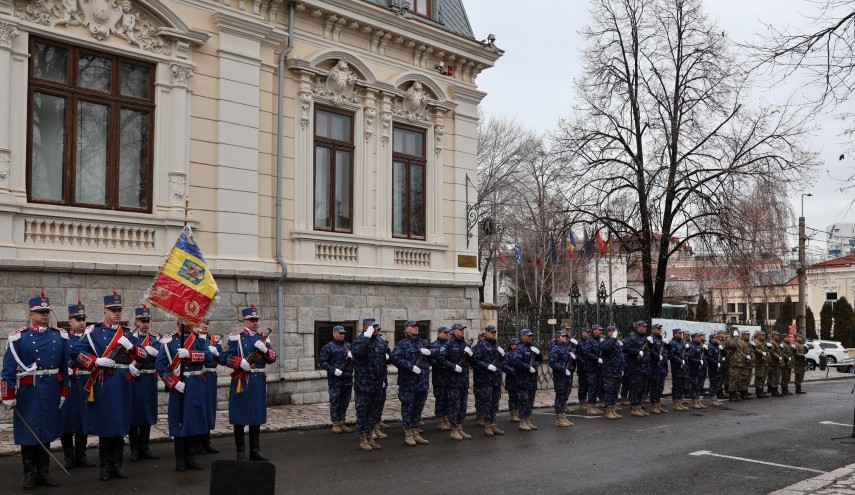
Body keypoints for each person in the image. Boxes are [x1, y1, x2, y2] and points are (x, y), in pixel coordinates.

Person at [70, 291, 149, 482]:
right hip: (104, 382)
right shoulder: (93, 332)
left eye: (119, 310)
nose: (117, 313)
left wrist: (131, 347)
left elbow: (144, 355)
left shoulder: (128, 333)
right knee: (106, 425)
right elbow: (75, 352)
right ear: (105, 311)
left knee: (121, 424)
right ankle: (105, 466)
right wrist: (96, 361)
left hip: (123, 383)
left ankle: (117, 465)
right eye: (113, 310)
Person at [2, 293, 70, 489]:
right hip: (28, 392)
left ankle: (44, 472)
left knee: (46, 431)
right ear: (31, 313)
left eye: (47, 311)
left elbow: (65, 368)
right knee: (29, 432)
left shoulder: (59, 336)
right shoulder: (19, 338)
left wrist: (64, 391)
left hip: (50, 391)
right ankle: (29, 474)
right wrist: (8, 395)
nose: (45, 315)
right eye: (40, 312)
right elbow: (7, 371)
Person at [220, 305, 276, 461]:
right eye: (252, 320)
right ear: (244, 320)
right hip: (242, 379)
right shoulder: (235, 337)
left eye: (256, 320)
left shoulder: (263, 337)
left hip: (258, 380)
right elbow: (224, 357)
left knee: (256, 415)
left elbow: (272, 358)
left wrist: (265, 350)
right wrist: (239, 362)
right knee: (239, 415)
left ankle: (255, 450)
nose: (255, 323)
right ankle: (240, 451)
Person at [155, 321, 213, 471]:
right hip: (179, 385)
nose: (189, 324)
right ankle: (180, 459)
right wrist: (173, 383)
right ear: (178, 322)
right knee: (179, 420)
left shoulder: (200, 339)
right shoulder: (168, 341)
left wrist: (190, 354)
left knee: (193, 419)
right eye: (185, 322)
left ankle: (191, 457)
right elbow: (160, 365)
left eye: (191, 322)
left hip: (196, 384)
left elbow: (208, 356)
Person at [59, 300, 96, 469]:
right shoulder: (63, 338)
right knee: (66, 420)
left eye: (83, 319)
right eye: (77, 319)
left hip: (86, 383)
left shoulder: (91, 339)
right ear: (70, 322)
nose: (82, 322)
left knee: (83, 420)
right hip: (70, 384)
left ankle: (81, 455)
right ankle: (68, 456)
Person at [390, 320, 431, 446]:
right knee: (408, 408)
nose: (416, 328)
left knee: (418, 408)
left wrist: (430, 352)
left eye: (417, 326)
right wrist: (410, 367)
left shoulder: (423, 343)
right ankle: (408, 433)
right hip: (408, 383)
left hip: (422, 382)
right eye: (413, 326)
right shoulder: (402, 344)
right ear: (406, 329)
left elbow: (437, 354)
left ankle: (416, 432)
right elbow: (394, 358)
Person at [128, 305, 160, 462]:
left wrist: (156, 354)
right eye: (142, 321)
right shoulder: (129, 337)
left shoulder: (155, 339)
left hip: (149, 378)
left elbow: (162, 359)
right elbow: (122, 355)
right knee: (134, 413)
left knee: (147, 412)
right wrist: (129, 366)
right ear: (136, 321)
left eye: (147, 321)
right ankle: (134, 447)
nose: (146, 324)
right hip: (135, 379)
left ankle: (145, 446)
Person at [351, 319, 386, 451]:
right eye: (374, 327)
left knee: (374, 412)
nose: (377, 329)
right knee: (362, 412)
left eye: (377, 327)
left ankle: (370, 436)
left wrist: (383, 379)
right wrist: (366, 338)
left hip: (377, 383)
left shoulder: (379, 341)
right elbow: (358, 352)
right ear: (366, 328)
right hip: (364, 384)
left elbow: (383, 360)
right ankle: (362, 439)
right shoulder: (359, 340)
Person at [319, 325, 354, 434]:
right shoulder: (328, 347)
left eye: (343, 333)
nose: (342, 335)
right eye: (340, 333)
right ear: (334, 333)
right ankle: (335, 423)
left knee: (345, 401)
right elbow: (323, 362)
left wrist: (353, 357)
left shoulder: (348, 346)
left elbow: (355, 362)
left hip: (347, 378)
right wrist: (333, 370)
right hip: (335, 380)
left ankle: (342, 422)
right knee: (335, 401)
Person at [472, 324, 506, 435]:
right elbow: (475, 360)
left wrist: (503, 355)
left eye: (495, 332)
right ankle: (487, 425)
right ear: (486, 332)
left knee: (495, 403)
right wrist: (486, 366)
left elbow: (502, 362)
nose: (494, 334)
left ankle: (493, 424)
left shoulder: (496, 345)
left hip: (496, 379)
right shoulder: (481, 345)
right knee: (487, 402)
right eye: (492, 332)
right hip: (485, 379)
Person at [506, 328, 542, 431]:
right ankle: (522, 421)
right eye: (528, 335)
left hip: (531, 379)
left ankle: (527, 419)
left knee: (530, 400)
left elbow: (539, 360)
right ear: (522, 336)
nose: (530, 337)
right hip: (522, 380)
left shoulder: (531, 348)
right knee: (523, 401)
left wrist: (538, 353)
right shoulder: (519, 348)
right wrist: (527, 367)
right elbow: (515, 361)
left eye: (531, 335)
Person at [196, 319, 221, 454]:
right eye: (202, 322)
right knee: (199, 408)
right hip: (199, 375)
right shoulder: (194, 339)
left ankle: (206, 441)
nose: (205, 325)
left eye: (207, 322)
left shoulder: (214, 340)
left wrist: (217, 353)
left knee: (209, 408)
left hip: (210, 377)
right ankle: (197, 442)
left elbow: (223, 358)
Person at [444, 322, 473, 440]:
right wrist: (453, 366)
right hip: (453, 381)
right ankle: (454, 430)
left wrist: (471, 355)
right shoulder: (449, 343)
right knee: (454, 405)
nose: (462, 331)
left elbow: (471, 362)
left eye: (463, 329)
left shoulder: (465, 344)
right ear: (454, 330)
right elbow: (441, 359)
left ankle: (460, 427)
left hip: (463, 380)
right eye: (460, 329)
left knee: (463, 405)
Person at [622, 321, 652, 417]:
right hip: (636, 368)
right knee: (635, 388)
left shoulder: (644, 338)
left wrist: (651, 343)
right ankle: (634, 408)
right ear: (638, 327)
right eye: (644, 327)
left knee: (642, 389)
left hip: (644, 368)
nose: (646, 328)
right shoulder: (632, 337)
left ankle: (639, 406)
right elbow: (625, 348)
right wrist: (637, 352)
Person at [548, 330, 574, 427]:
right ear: (558, 338)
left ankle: (563, 416)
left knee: (564, 396)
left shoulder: (564, 347)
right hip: (560, 376)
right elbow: (552, 362)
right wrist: (563, 369)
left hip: (566, 375)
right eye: (563, 336)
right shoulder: (554, 348)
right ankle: (559, 418)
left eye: (565, 336)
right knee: (560, 396)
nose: (565, 337)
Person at [369, 322, 391, 439]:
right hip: (369, 380)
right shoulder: (364, 342)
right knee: (369, 406)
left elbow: (389, 358)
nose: (378, 332)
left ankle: (377, 425)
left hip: (381, 377)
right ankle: (370, 429)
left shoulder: (381, 343)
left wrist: (388, 356)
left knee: (379, 403)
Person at [429, 326, 452, 430]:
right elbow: (431, 361)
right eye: (445, 332)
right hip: (439, 377)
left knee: (448, 399)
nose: (448, 334)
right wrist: (442, 365)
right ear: (439, 333)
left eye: (448, 333)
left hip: (450, 377)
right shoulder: (434, 345)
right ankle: (440, 420)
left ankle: (446, 417)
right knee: (440, 399)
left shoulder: (450, 344)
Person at [601, 326, 624, 420]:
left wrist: (622, 368)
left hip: (617, 370)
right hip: (609, 371)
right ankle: (608, 410)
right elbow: (606, 348)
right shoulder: (604, 340)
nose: (616, 334)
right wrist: (613, 338)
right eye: (614, 332)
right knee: (609, 391)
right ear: (609, 332)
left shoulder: (616, 342)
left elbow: (620, 355)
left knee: (615, 391)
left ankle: (613, 409)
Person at [648, 324, 669, 414]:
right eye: (658, 328)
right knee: (655, 387)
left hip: (663, 366)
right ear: (653, 330)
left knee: (661, 387)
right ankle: (654, 405)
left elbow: (667, 351)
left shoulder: (662, 339)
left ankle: (658, 403)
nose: (660, 330)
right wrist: (658, 357)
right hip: (655, 366)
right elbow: (650, 351)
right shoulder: (651, 339)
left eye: (660, 328)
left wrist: (668, 344)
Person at [586, 325, 605, 415]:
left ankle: (594, 405)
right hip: (592, 367)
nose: (601, 332)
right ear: (594, 330)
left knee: (597, 387)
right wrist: (596, 359)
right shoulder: (590, 340)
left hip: (599, 367)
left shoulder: (599, 340)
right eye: (599, 330)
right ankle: (590, 407)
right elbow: (587, 352)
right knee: (592, 387)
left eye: (601, 330)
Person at [668, 328, 688, 411]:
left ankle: (680, 401)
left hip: (683, 367)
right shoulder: (672, 343)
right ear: (674, 333)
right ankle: (675, 403)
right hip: (677, 367)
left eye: (681, 333)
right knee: (676, 385)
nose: (681, 334)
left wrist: (684, 361)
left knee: (681, 385)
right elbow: (671, 355)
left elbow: (685, 354)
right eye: (679, 333)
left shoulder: (682, 342)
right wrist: (680, 361)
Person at [687, 332, 707, 409]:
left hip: (701, 369)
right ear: (693, 338)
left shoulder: (701, 346)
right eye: (698, 337)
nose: (699, 338)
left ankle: (698, 400)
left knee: (699, 386)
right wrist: (698, 361)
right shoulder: (691, 346)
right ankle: (694, 401)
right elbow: (690, 358)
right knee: (694, 385)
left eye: (700, 337)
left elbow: (704, 356)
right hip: (694, 369)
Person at [503, 338, 520, 422]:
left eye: (517, 344)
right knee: (513, 397)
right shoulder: (507, 355)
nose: (517, 346)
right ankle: (513, 415)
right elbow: (504, 366)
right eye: (515, 344)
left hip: (520, 379)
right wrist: (513, 371)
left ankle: (518, 412)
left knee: (519, 397)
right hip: (512, 379)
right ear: (511, 345)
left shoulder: (520, 354)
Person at [706, 333, 725, 406]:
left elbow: (723, 355)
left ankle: (715, 398)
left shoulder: (718, 346)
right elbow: (709, 358)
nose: (717, 339)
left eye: (717, 338)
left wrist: (722, 350)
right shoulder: (710, 347)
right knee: (713, 383)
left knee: (717, 383)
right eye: (715, 338)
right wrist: (716, 363)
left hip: (719, 367)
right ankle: (712, 399)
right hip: (713, 368)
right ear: (711, 339)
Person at [575, 327, 592, 412]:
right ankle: (582, 402)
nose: (588, 333)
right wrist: (583, 361)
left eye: (589, 332)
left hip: (590, 366)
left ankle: (586, 401)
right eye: (587, 332)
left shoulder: (589, 341)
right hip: (582, 367)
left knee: (589, 384)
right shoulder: (579, 342)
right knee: (583, 385)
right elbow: (576, 354)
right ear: (582, 333)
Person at [751, 331, 770, 399]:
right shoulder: (756, 342)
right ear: (757, 336)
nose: (763, 336)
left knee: (763, 377)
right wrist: (762, 352)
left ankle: (761, 390)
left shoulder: (763, 342)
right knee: (760, 376)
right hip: (759, 362)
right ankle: (759, 391)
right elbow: (755, 350)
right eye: (761, 335)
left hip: (764, 362)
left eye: (764, 335)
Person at [767, 331, 783, 397]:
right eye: (776, 335)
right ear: (772, 335)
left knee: (777, 376)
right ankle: (774, 391)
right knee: (775, 376)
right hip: (773, 362)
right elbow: (771, 351)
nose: (777, 336)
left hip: (777, 362)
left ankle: (775, 390)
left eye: (778, 335)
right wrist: (778, 356)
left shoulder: (777, 342)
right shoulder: (771, 342)